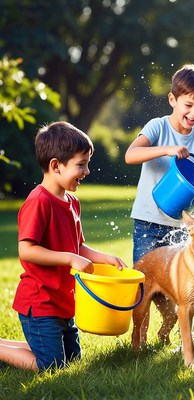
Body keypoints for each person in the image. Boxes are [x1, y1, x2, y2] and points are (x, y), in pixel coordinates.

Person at [0, 121, 127, 372]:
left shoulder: (72, 202)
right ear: (56, 166)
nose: (87, 171)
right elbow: (27, 250)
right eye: (81, 164)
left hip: (63, 302)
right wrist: (69, 258)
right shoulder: (39, 201)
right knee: (52, 365)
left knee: (71, 362)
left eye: (87, 163)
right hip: (41, 303)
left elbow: (77, 246)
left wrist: (105, 258)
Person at [125, 63, 194, 264]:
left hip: (181, 226)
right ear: (172, 99)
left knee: (176, 286)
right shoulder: (158, 126)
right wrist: (167, 149)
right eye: (188, 105)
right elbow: (130, 155)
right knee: (145, 281)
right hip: (148, 221)